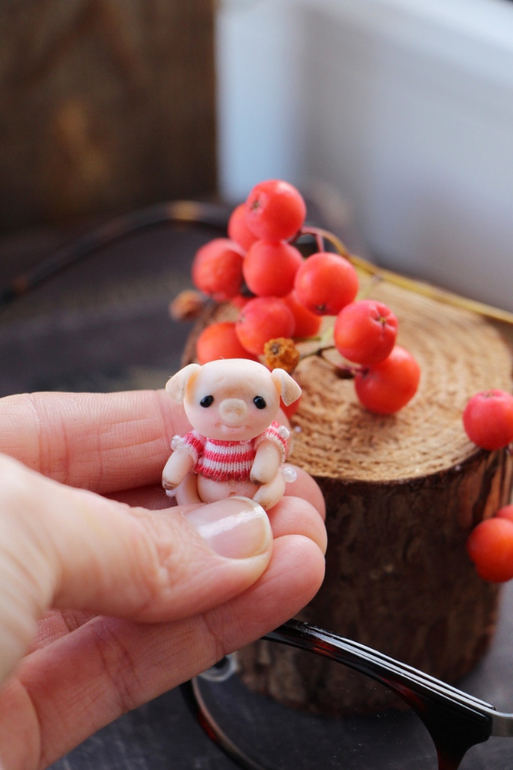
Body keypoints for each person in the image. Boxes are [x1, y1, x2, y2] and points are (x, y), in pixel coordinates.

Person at [0, 389, 327, 770]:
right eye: (208, 401)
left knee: (282, 506)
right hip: (204, 498)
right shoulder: (198, 440)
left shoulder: (265, 439)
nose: (234, 411)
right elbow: (179, 465)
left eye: (257, 402)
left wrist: (265, 476)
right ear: (189, 393)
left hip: (254, 498)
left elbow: (268, 462)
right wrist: (181, 494)